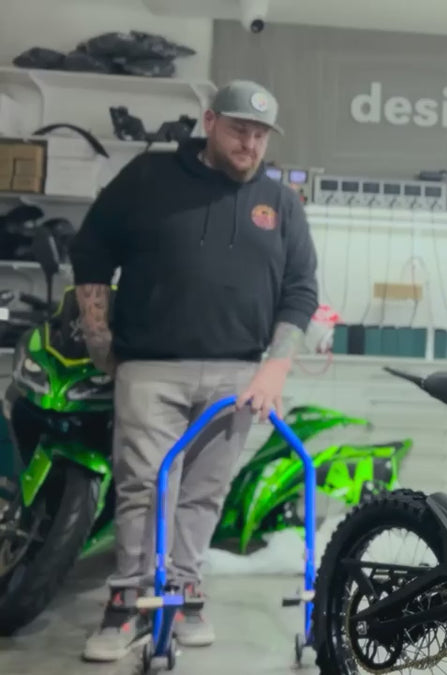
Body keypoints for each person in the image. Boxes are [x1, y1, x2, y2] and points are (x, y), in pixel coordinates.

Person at [70, 80, 319, 662]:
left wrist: (275, 369)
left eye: (260, 135)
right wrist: (100, 339)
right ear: (209, 122)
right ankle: (130, 603)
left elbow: (301, 290)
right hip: (151, 368)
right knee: (146, 488)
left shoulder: (279, 203)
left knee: (204, 494)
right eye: (239, 130)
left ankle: (182, 591)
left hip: (239, 377)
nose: (250, 145)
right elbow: (92, 249)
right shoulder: (148, 178)